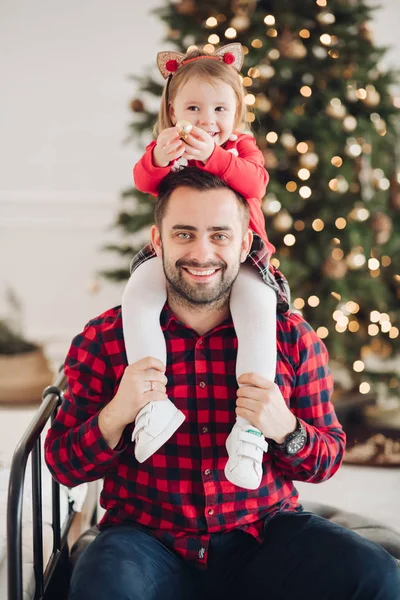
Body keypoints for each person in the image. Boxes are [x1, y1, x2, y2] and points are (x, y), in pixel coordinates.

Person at [45, 168, 400, 600]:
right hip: (144, 539)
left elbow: (327, 460)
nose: (201, 253)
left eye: (219, 235)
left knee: (377, 576)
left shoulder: (290, 338)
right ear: (157, 241)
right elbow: (63, 465)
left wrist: (287, 430)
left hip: (262, 535)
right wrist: (116, 414)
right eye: (184, 234)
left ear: (246, 243)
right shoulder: (105, 338)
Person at [123, 43, 287, 489]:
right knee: (137, 294)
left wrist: (214, 155)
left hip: (241, 256)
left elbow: (254, 181)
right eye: (192, 107)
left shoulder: (239, 146)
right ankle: (154, 403)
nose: (206, 118)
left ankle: (249, 430)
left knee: (257, 313)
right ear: (172, 109)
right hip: (177, 253)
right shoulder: (168, 147)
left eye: (219, 108)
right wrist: (161, 155)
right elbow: (143, 179)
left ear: (236, 114)